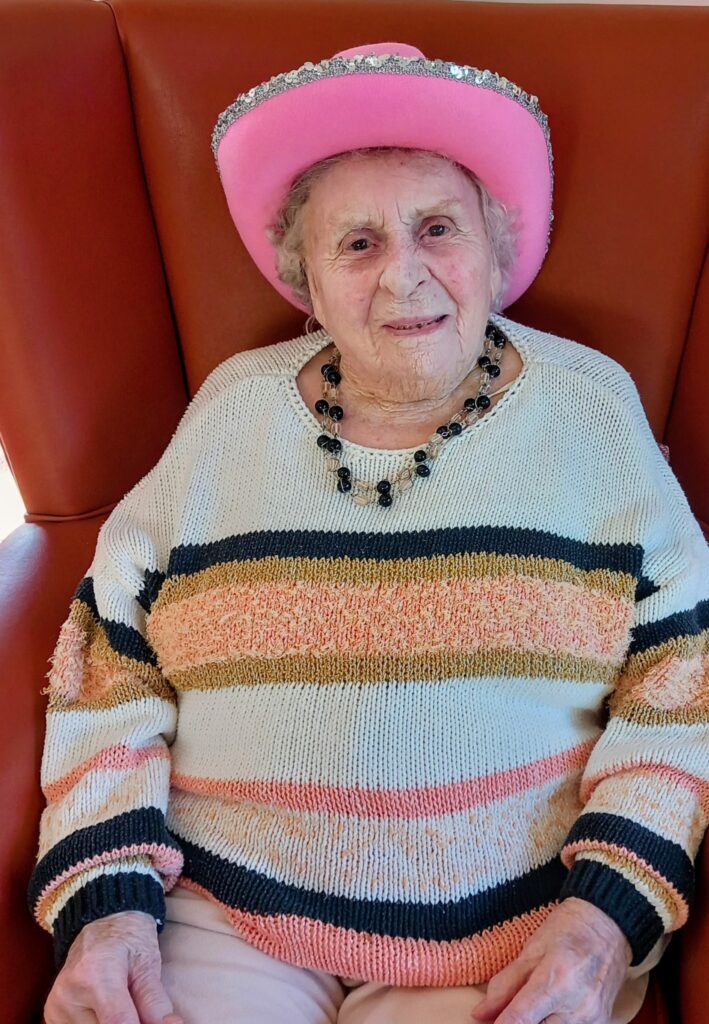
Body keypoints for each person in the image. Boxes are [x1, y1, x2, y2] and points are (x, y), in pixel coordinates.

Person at [29, 41, 708, 1024]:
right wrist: (107, 903)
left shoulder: (592, 411)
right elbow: (111, 657)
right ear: (304, 280)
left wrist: (603, 917)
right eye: (357, 244)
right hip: (222, 913)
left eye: (438, 227)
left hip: (505, 935)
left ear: (496, 246)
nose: (404, 276)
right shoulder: (229, 413)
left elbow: (684, 676)